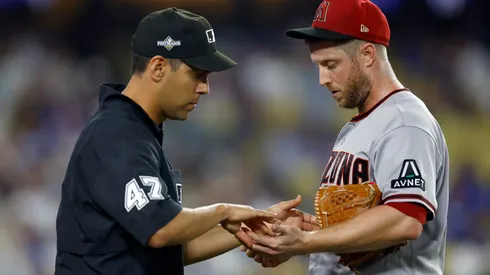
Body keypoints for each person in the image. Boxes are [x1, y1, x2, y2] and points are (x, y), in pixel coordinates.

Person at [54, 7, 318, 275]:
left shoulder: (137, 132)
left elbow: (167, 247)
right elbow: (160, 229)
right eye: (197, 74)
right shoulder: (118, 135)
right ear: (158, 67)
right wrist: (224, 211)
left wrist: (253, 226)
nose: (205, 87)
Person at [242, 0, 449, 274]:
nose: (322, 79)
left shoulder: (404, 122)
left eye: (330, 64)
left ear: (367, 54)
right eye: (318, 65)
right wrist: (305, 230)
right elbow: (360, 225)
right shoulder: (360, 125)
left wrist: (306, 241)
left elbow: (404, 218)